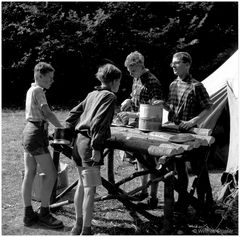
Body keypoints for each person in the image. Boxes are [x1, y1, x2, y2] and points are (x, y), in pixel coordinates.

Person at [65, 63, 122, 235]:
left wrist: (68, 133)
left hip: (78, 142)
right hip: (90, 144)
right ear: (113, 81)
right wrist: (97, 147)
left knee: (82, 185)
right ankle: (86, 230)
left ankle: (77, 226)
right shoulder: (109, 97)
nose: (119, 85)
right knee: (90, 188)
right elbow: (99, 123)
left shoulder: (92, 94)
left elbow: (72, 114)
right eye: (119, 82)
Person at [163, 52, 213, 214]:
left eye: (176, 63)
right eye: (172, 63)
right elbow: (171, 109)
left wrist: (192, 122)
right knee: (179, 168)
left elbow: (208, 107)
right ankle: (183, 201)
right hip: (176, 134)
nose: (173, 66)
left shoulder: (196, 86)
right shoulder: (172, 85)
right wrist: (161, 105)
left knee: (200, 170)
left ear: (187, 65)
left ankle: (205, 204)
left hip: (192, 135)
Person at [118, 51, 163, 208]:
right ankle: (143, 191)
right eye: (129, 72)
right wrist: (129, 100)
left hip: (150, 128)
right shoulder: (136, 78)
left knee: (151, 163)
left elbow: (155, 110)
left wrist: (132, 113)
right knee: (140, 160)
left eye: (132, 70)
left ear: (140, 65)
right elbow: (135, 95)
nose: (130, 74)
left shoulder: (152, 82)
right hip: (138, 126)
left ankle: (153, 197)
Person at [22, 62, 64, 228]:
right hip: (36, 134)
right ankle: (44, 213)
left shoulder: (30, 90)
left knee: (29, 173)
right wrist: (61, 127)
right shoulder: (38, 91)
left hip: (28, 133)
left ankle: (28, 214)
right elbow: (46, 112)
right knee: (52, 174)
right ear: (39, 76)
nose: (52, 81)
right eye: (49, 78)